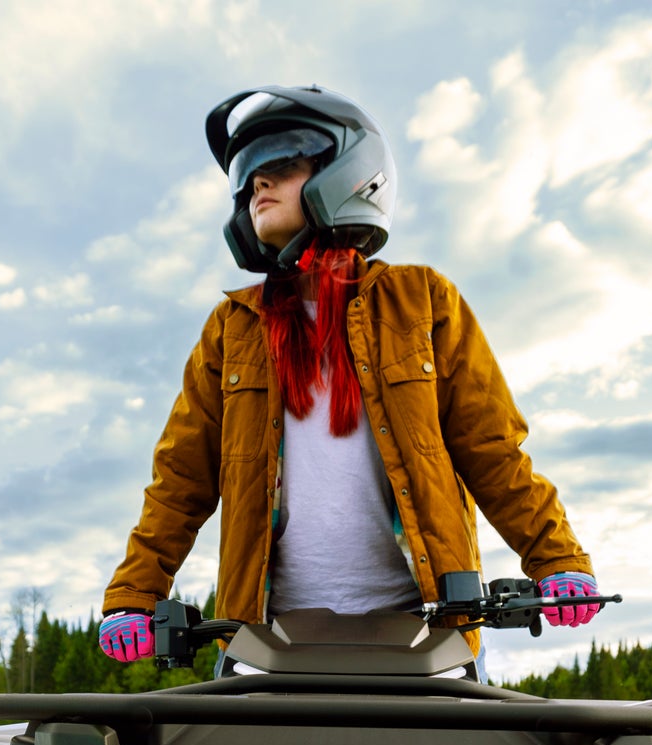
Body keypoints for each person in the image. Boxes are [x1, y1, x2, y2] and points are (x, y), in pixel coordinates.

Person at [98, 84, 599, 673]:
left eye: (280, 164)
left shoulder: (423, 300)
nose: (257, 183)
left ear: (348, 174)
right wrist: (134, 594)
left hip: (428, 631)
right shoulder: (233, 326)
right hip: (264, 636)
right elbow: (181, 479)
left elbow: (491, 449)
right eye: (249, 175)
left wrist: (558, 561)